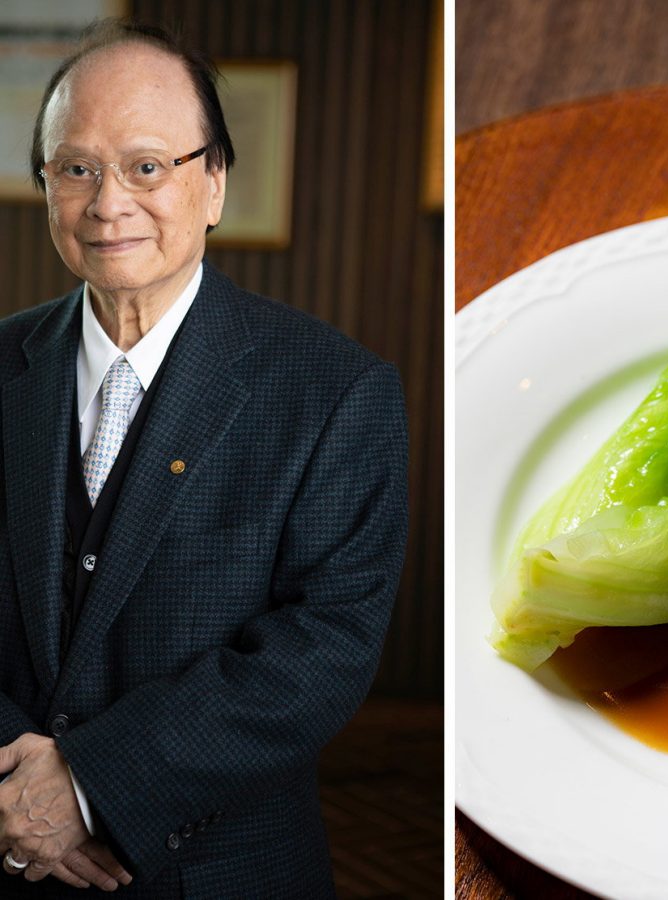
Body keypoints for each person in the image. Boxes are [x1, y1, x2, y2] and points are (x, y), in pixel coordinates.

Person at [0, 17, 407, 899]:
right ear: (46, 186)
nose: (109, 203)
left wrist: (87, 784)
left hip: (222, 871)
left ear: (213, 183)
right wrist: (16, 792)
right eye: (77, 169)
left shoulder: (337, 391)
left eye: (148, 166)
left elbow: (323, 648)